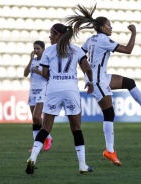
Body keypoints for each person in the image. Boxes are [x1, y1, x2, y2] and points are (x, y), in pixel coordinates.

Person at [65, 4, 141, 166]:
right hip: (98, 81)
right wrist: (133, 32)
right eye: (109, 25)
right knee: (109, 114)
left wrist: (86, 76)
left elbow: (81, 56)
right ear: (103, 27)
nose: (111, 28)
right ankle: (109, 151)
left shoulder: (91, 39)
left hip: (101, 77)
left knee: (129, 82)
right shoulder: (104, 40)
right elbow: (128, 49)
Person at [25, 23, 94, 174]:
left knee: (46, 128)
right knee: (76, 128)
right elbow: (87, 68)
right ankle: (82, 165)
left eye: (51, 34)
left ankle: (32, 157)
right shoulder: (76, 49)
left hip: (53, 89)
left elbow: (45, 73)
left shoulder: (49, 51)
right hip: (71, 90)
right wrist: (90, 83)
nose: (49, 37)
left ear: (57, 35)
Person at [24, 41, 53, 152]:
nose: (35, 51)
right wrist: (30, 60)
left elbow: (50, 76)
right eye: (34, 48)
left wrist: (40, 72)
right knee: (34, 120)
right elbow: (25, 74)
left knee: (37, 116)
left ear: (43, 49)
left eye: (38, 49)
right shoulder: (33, 61)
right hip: (33, 91)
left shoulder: (47, 61)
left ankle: (48, 137)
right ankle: (36, 144)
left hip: (42, 90)